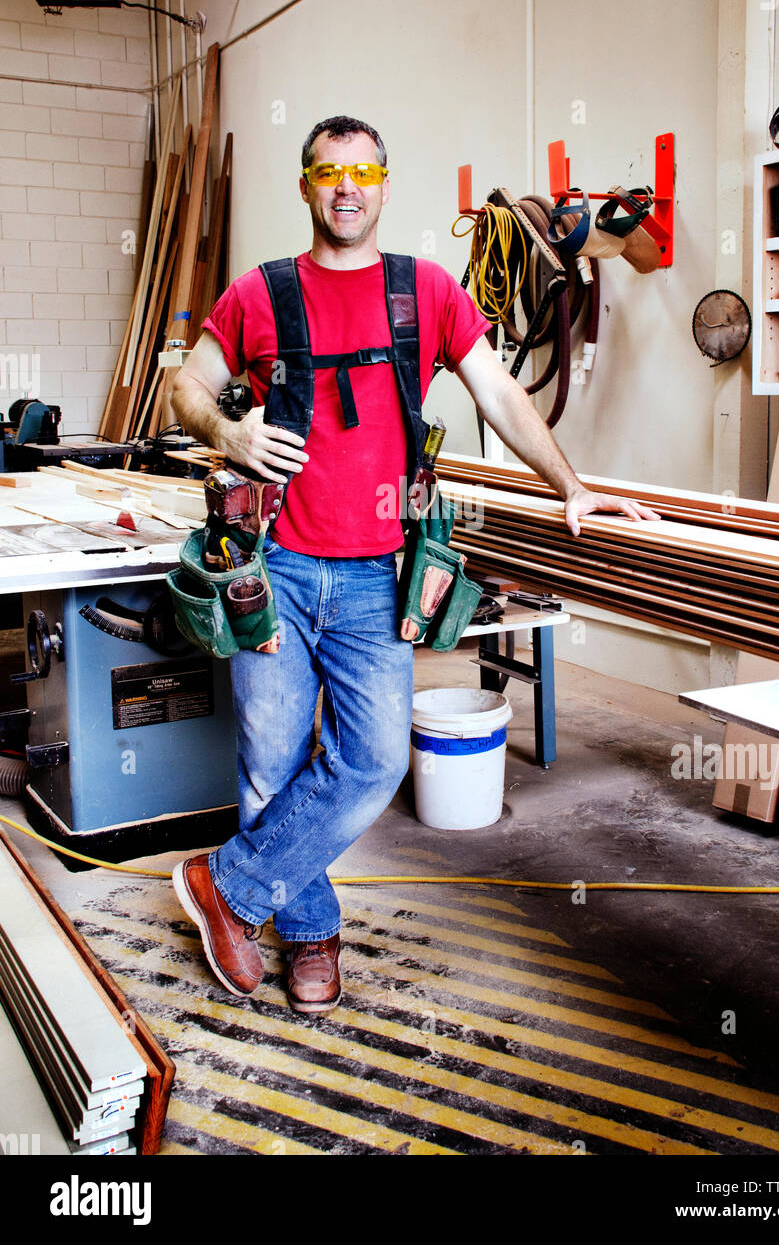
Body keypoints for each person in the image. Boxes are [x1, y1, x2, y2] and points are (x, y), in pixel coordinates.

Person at [170, 114, 657, 1014]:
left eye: (362, 171)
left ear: (385, 183)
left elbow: (502, 393)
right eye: (328, 172)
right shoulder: (261, 293)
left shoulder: (424, 290)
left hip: (376, 577)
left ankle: (229, 888)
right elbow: (186, 384)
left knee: (375, 760)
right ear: (306, 184)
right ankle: (309, 933)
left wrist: (570, 487)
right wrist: (229, 431)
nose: (346, 187)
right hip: (270, 566)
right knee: (270, 765)